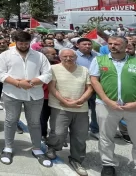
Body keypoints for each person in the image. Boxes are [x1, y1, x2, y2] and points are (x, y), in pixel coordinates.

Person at [89, 36, 136, 176]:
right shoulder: (99, 60)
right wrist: (107, 100)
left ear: (126, 46)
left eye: (117, 44)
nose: (113, 46)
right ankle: (108, 164)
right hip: (106, 105)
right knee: (106, 137)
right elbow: (94, 80)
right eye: (110, 44)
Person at [0, 31, 52, 167]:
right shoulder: (6, 55)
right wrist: (19, 83)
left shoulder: (39, 56)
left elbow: (47, 74)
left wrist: (32, 82)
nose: (23, 46)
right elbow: (1, 74)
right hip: (12, 94)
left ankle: (37, 148)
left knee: (34, 122)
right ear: (15, 41)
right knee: (11, 121)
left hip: (35, 94)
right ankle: (8, 147)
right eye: (20, 43)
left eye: (26, 43)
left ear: (30, 42)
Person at [46, 48, 92, 176]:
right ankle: (53, 147)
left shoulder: (84, 70)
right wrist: (64, 101)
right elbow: (52, 87)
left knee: (80, 136)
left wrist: (80, 99)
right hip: (59, 106)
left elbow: (90, 88)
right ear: (60, 57)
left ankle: (76, 160)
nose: (68, 59)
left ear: (76, 57)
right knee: (59, 132)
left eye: (71, 56)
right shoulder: (54, 68)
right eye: (65, 56)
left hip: (80, 107)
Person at [74, 37, 100, 137]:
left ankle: (94, 129)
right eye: (84, 44)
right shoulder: (72, 55)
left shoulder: (98, 56)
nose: (87, 46)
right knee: (79, 109)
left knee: (95, 110)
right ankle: (78, 130)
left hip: (95, 87)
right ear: (77, 45)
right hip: (79, 87)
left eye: (89, 44)